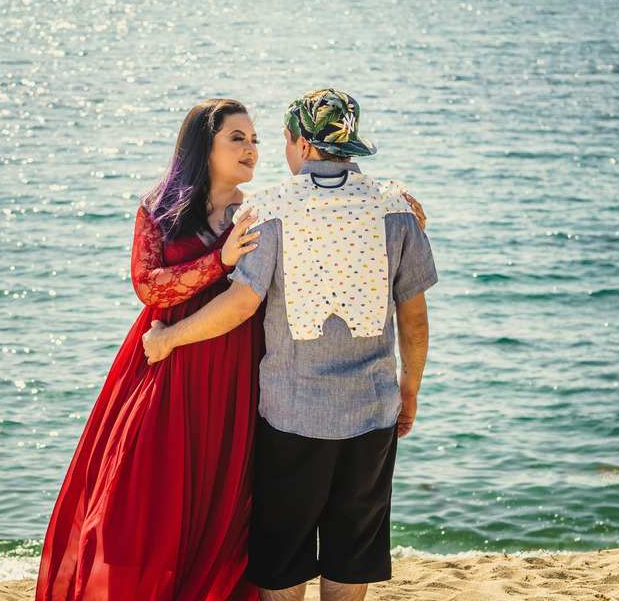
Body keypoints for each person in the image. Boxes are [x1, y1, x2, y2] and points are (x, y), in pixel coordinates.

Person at [144, 88, 437, 601]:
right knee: (353, 551)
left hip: (291, 416)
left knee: (284, 557)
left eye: (281, 139)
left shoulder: (271, 209)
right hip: (372, 413)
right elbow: (413, 316)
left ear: (302, 143)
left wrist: (169, 337)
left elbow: (239, 306)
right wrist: (409, 386)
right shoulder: (397, 207)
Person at [36, 98, 266, 601]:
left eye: (254, 140)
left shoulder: (261, 209)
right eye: (238, 138)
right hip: (166, 360)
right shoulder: (159, 207)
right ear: (205, 145)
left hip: (235, 364)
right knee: (137, 493)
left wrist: (396, 197)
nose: (251, 149)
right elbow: (148, 286)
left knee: (222, 494)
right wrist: (218, 260)